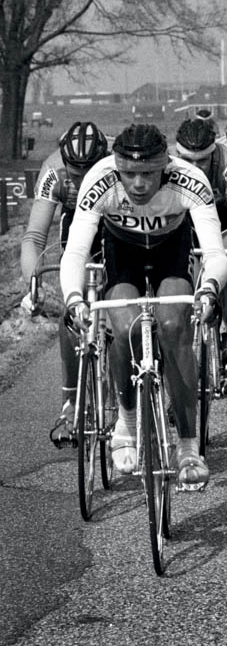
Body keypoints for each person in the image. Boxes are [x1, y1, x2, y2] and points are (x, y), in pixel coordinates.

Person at [59, 123, 227, 490]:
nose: (138, 184)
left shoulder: (189, 178)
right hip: (123, 251)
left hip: (172, 249)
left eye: (148, 174)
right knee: (123, 328)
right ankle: (126, 422)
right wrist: (74, 298)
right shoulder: (100, 178)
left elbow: (215, 253)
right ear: (116, 167)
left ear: (165, 165)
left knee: (173, 326)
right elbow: (74, 250)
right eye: (130, 174)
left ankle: (187, 445)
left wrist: (209, 289)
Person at [20, 121, 108, 447]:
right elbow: (34, 236)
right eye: (76, 172)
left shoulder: (117, 166)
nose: (83, 178)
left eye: (90, 170)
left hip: (112, 217)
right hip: (76, 224)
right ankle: (70, 403)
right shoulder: (54, 170)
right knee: (73, 312)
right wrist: (34, 285)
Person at [173, 117, 227, 390]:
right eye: (187, 161)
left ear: (213, 154)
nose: (193, 168)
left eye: (202, 162)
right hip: (186, 217)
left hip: (223, 216)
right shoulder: (169, 164)